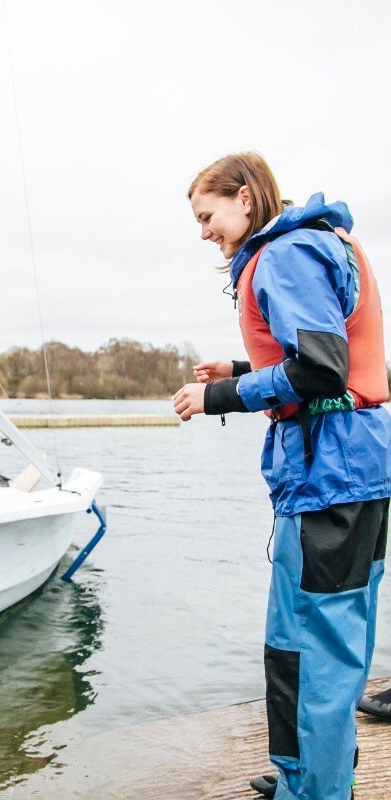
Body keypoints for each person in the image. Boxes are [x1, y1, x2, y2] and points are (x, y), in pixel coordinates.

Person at [173, 153, 391, 800]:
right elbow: (326, 354)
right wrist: (242, 369)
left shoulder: (290, 253)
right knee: (292, 644)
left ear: (245, 197)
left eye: (208, 215)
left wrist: (220, 397)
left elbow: (322, 369)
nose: (205, 230)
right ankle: (306, 774)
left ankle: (321, 790)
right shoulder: (296, 249)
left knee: (321, 651)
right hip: (326, 475)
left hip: (338, 477)